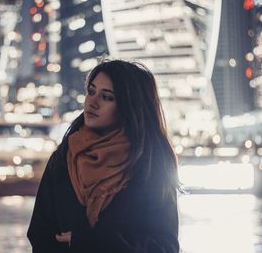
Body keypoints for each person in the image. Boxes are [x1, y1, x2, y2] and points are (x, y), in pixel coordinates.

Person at [27, 59, 180, 253]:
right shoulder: (63, 158)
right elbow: (40, 235)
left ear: (129, 106)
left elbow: (165, 247)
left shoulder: (150, 164)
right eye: (91, 92)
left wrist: (89, 241)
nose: (92, 102)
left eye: (107, 97)